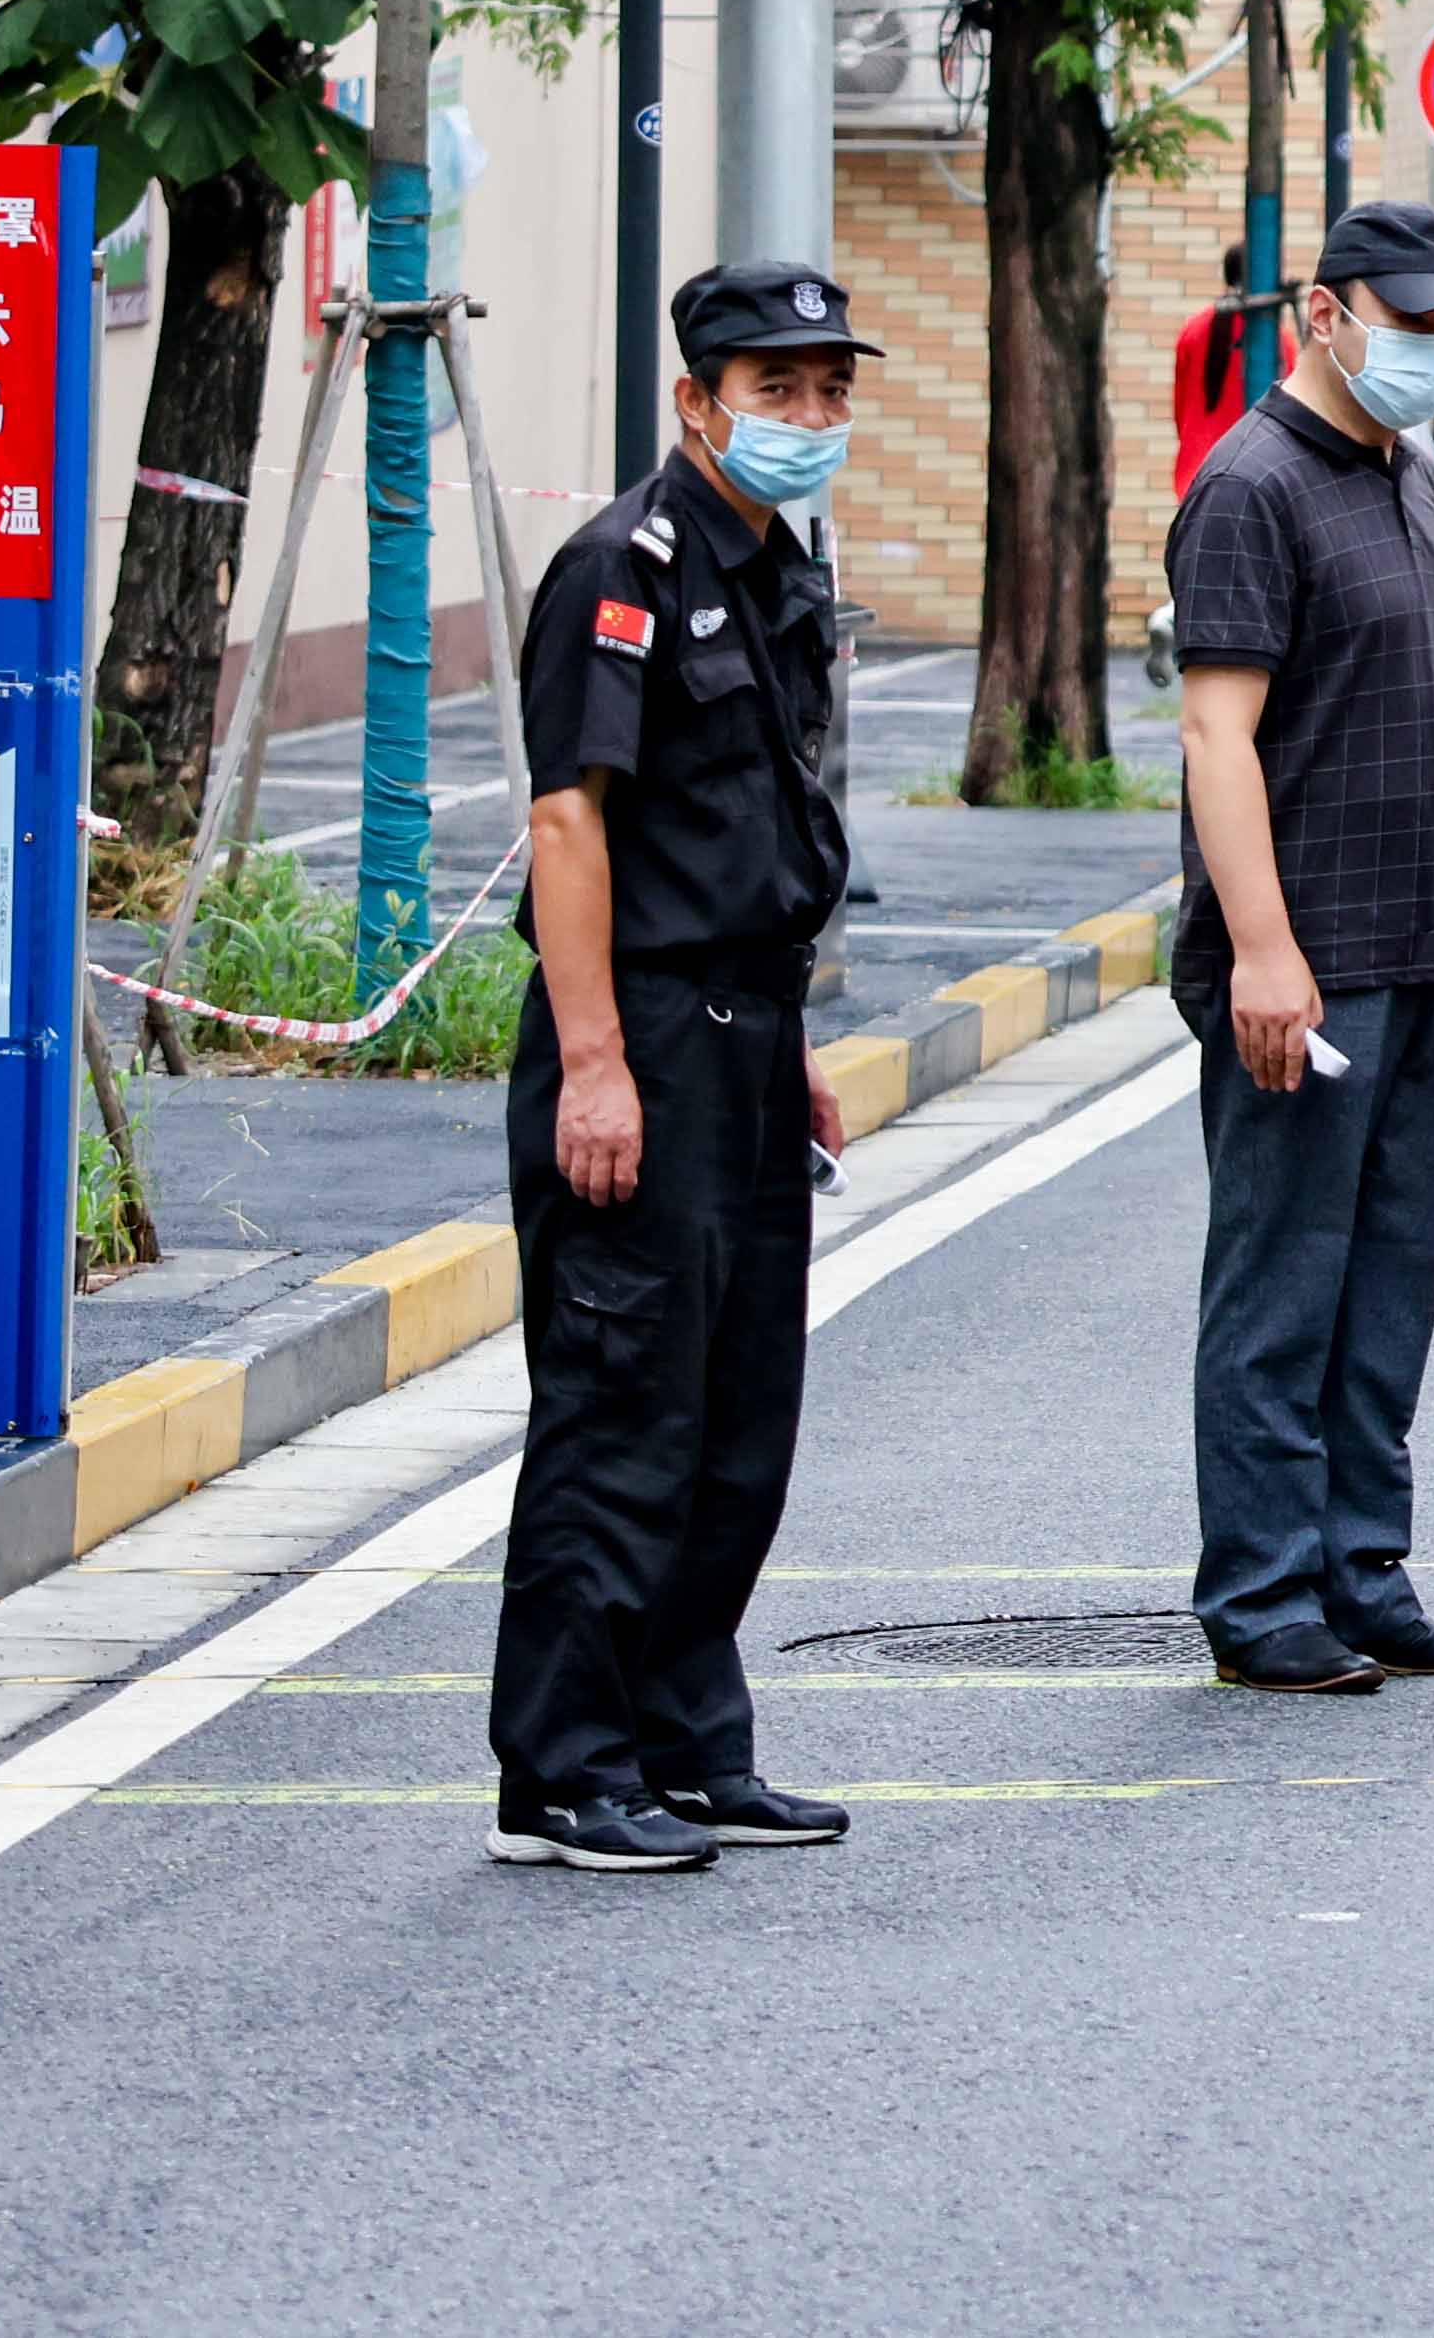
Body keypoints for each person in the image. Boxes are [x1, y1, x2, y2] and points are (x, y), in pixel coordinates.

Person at [486, 260, 874, 1871]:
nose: (806, 413)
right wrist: (592, 1063)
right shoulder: (618, 570)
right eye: (773, 385)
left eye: (827, 387)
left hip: (746, 1032)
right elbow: (571, 819)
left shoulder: (776, 562)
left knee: (734, 1414)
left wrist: (794, 1046)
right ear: (695, 398)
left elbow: (759, 826)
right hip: (636, 1031)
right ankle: (564, 1773)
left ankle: (688, 1742)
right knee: (622, 1407)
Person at [1167, 198, 1434, 1694]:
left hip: (1425, 940)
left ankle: (1360, 1569)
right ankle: (1261, 1597)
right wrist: (1261, 947)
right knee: (1283, 1280)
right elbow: (1215, 731)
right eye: (1413, 323)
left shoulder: (1417, 466)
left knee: (1392, 1272)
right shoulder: (1249, 483)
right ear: (1324, 316)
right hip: (1307, 963)